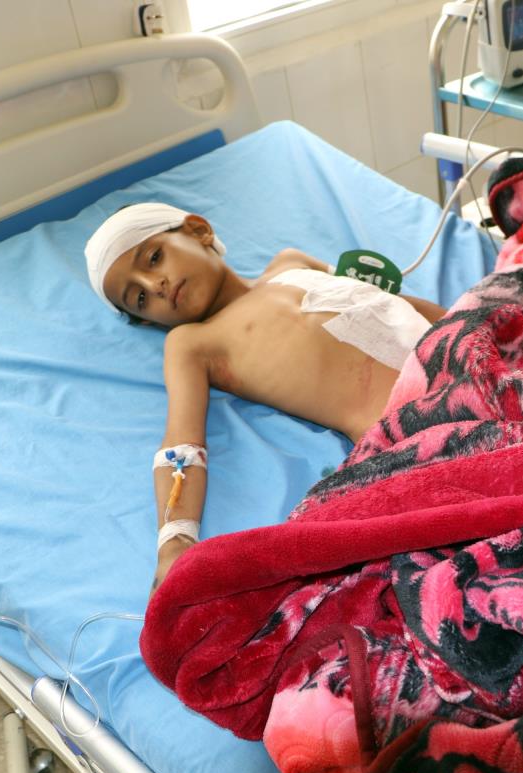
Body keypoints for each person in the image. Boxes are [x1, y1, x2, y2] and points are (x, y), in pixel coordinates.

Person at [84, 203, 447, 593]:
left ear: (198, 230)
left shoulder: (293, 262)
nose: (154, 285)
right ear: (146, 322)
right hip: (416, 432)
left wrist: (477, 320)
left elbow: (400, 304)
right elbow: (181, 445)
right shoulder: (193, 343)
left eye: (154, 258)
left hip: (462, 353)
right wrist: (174, 542)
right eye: (139, 298)